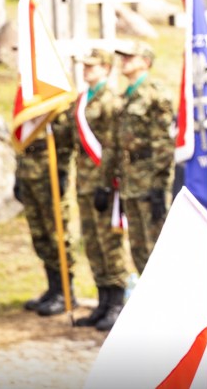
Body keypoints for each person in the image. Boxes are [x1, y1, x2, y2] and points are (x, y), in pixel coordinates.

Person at [66, 48, 129, 332]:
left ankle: (116, 304)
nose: (86, 70)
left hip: (105, 183)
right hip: (85, 183)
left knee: (109, 244)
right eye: (84, 66)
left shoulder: (110, 100)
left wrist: (108, 183)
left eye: (92, 66)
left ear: (106, 68)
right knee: (92, 243)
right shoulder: (82, 99)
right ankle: (102, 302)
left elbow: (114, 145)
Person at [102, 41, 175, 276]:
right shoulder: (125, 96)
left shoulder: (155, 93)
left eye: (129, 57)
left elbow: (163, 143)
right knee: (138, 249)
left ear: (145, 61)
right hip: (130, 183)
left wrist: (159, 187)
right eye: (123, 57)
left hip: (149, 182)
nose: (123, 61)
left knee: (157, 250)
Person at [14, 110, 77, 316]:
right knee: (40, 235)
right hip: (29, 172)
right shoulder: (28, 103)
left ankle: (66, 292)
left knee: (57, 235)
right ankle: (53, 287)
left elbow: (66, 141)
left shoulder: (56, 103)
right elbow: (21, 139)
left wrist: (62, 171)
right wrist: (18, 175)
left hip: (49, 172)